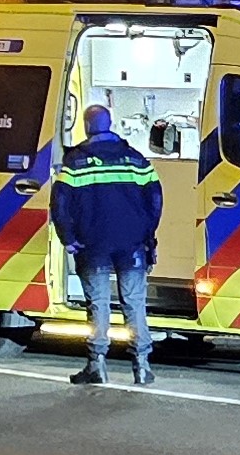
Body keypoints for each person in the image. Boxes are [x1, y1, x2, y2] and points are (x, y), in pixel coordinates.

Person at [49, 105, 163, 386]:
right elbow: (156, 200)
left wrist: (69, 238)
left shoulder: (75, 162)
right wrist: (147, 235)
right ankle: (142, 366)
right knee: (134, 303)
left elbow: (59, 204)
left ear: (87, 126)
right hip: (132, 244)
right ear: (110, 124)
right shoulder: (135, 160)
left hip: (93, 244)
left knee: (97, 304)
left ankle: (97, 365)